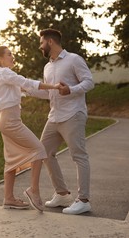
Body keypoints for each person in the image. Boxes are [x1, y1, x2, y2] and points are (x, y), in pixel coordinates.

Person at [26, 28, 94, 215]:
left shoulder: (74, 59)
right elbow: (49, 93)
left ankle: (84, 200)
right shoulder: (48, 67)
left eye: (41, 43)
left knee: (79, 155)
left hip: (73, 114)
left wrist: (70, 90)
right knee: (44, 152)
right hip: (54, 116)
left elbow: (89, 82)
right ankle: (62, 194)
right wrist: (27, 89)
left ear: (49, 42)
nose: (39, 47)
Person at [0, 46, 61, 212]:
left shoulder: (2, 75)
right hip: (10, 121)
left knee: (11, 160)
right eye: (9, 54)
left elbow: (28, 89)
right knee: (39, 149)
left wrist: (53, 92)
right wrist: (54, 86)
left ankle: (9, 199)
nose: (13, 56)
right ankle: (34, 191)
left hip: (7, 120)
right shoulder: (4, 73)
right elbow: (27, 82)